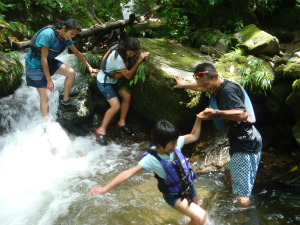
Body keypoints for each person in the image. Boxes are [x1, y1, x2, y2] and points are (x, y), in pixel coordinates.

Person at [174, 62, 262, 207]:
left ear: (216, 76)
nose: (204, 88)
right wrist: (184, 85)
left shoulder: (228, 91)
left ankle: (244, 219)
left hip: (246, 143)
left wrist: (215, 113)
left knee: (241, 196)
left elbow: (242, 114)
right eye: (201, 85)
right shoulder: (214, 87)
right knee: (230, 178)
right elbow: (200, 86)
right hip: (239, 140)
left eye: (206, 84)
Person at [90, 118, 207, 225]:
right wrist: (105, 188)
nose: (176, 144)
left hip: (188, 188)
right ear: (160, 144)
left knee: (197, 216)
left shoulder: (175, 144)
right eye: (172, 143)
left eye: (176, 141)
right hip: (174, 196)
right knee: (201, 217)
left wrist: (198, 119)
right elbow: (128, 173)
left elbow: (194, 136)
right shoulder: (151, 159)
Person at [25, 19, 99, 118]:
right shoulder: (48, 35)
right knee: (45, 96)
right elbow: (43, 58)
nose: (72, 36)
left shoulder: (66, 38)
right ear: (64, 28)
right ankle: (47, 124)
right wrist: (49, 80)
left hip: (49, 62)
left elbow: (76, 52)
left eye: (74, 35)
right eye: (71, 33)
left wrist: (89, 67)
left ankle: (65, 100)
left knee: (71, 73)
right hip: (35, 66)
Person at [95, 37, 150, 145]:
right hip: (104, 82)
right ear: (125, 49)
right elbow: (128, 75)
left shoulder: (122, 49)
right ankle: (101, 129)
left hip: (114, 80)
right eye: (130, 53)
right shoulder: (117, 57)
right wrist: (138, 60)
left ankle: (122, 122)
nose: (132, 56)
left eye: (135, 54)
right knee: (116, 106)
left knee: (127, 96)